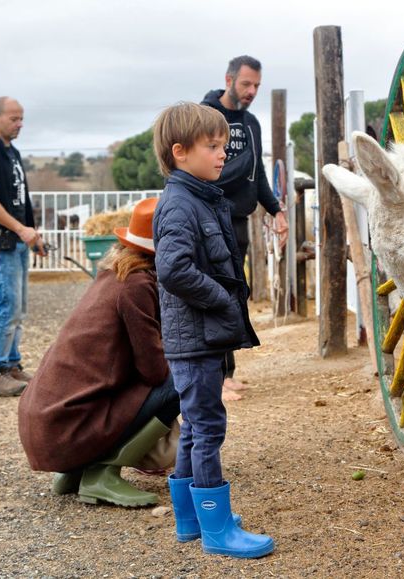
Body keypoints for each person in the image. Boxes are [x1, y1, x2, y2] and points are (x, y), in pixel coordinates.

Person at [152, 102, 274, 558]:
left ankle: (190, 519)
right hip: (196, 337)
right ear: (180, 152)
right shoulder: (181, 205)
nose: (223, 154)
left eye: (223, 144)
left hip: (201, 336)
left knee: (195, 426)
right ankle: (218, 529)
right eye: (213, 146)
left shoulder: (199, 196)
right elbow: (173, 269)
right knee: (207, 428)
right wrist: (221, 300)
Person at [17, 197, 180, 508]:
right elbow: (154, 371)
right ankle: (102, 472)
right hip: (67, 431)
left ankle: (76, 471)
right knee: (182, 381)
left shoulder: (112, 274)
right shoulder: (137, 285)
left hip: (46, 426)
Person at [202, 55, 288, 401]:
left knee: (236, 294)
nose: (251, 91)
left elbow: (258, 174)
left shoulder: (252, 123)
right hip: (210, 217)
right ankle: (215, 377)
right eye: (245, 84)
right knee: (215, 294)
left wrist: (276, 209)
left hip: (239, 219)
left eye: (256, 86)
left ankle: (229, 373)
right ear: (229, 79)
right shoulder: (206, 116)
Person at [0, 96, 46, 397]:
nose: (20, 124)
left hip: (18, 240)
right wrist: (19, 229)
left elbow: (20, 198)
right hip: (0, 242)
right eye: (14, 119)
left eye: (21, 118)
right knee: (8, 306)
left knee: (20, 308)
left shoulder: (11, 152)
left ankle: (12, 365)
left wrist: (32, 232)